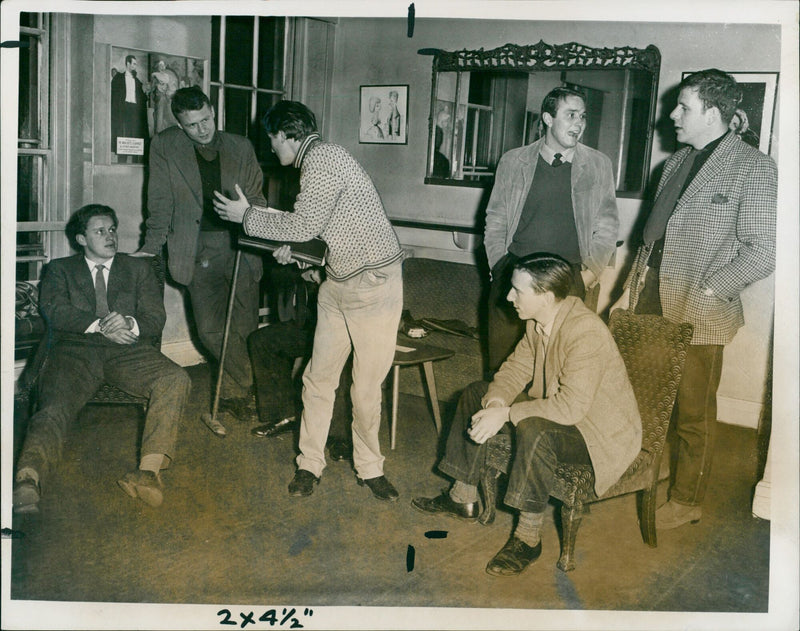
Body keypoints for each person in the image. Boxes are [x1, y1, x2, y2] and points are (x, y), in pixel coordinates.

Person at [213, 100, 404, 502]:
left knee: (365, 389)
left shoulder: (322, 159)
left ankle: (370, 468)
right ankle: (308, 465)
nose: (271, 147)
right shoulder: (320, 159)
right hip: (337, 282)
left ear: (285, 135)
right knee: (318, 379)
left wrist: (247, 216)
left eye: (271, 138)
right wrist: (294, 250)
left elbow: (304, 225)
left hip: (373, 286)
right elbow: (322, 228)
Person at [611, 69, 777, 530]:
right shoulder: (673, 164)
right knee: (641, 395)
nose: (672, 114)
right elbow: (650, 239)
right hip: (648, 296)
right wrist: (628, 291)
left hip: (698, 308)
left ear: (713, 113)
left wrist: (711, 289)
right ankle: (647, 473)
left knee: (692, 410)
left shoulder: (753, 167)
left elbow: (766, 247)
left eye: (683, 106)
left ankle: (687, 500)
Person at [412, 253, 641, 577]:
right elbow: (516, 369)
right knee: (476, 392)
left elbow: (572, 407)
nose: (508, 296)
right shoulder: (538, 322)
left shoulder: (585, 332)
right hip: (565, 410)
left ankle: (527, 538)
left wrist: (507, 413)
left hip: (599, 433)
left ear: (545, 297)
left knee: (535, 428)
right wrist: (494, 404)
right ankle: (462, 495)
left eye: (517, 290)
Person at [12, 204, 191, 513]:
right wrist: (101, 326)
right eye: (100, 231)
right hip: (73, 352)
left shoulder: (138, 269)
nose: (110, 237)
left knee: (175, 378)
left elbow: (154, 317)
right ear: (81, 238)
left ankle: (147, 472)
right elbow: (54, 311)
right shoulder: (59, 268)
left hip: (127, 350)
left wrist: (130, 323)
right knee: (54, 406)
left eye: (112, 230)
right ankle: (29, 478)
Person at [137, 86, 266, 420]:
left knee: (245, 328)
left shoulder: (241, 145)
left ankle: (240, 395)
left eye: (206, 119)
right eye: (192, 125)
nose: (202, 129)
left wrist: (254, 221)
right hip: (195, 250)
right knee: (210, 331)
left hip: (241, 246)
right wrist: (150, 249)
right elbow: (160, 201)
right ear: (180, 123)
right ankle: (258, 388)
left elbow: (258, 200)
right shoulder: (165, 146)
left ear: (212, 110)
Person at [483, 86, 619, 372]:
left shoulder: (598, 165)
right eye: (570, 115)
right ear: (547, 118)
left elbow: (607, 226)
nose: (579, 124)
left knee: (558, 369)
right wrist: (499, 264)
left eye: (582, 116)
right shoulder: (513, 161)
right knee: (503, 365)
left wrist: (590, 273)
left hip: (567, 279)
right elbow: (495, 218)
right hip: (514, 274)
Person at [248, 265, 353, 463]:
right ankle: (285, 415)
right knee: (262, 341)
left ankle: (340, 436)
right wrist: (300, 273)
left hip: (340, 325)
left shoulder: (345, 238)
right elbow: (276, 275)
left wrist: (327, 276)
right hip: (307, 324)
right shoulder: (297, 236)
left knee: (343, 356)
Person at [110, 54, 148, 158]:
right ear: (128, 64)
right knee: (123, 134)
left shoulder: (137, 81)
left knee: (135, 134)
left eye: (136, 64)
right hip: (123, 109)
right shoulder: (118, 78)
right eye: (134, 64)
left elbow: (142, 97)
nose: (135, 66)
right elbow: (113, 96)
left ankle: (135, 160)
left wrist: (145, 93)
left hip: (135, 110)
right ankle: (122, 160)